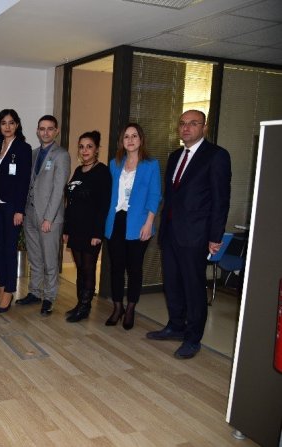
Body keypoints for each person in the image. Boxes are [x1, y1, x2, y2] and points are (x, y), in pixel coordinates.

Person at [147, 110, 231, 359]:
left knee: (193, 287)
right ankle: (175, 325)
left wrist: (215, 236)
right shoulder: (175, 156)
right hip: (171, 232)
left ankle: (193, 338)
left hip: (196, 235)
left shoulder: (216, 156)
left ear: (204, 127)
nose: (186, 128)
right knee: (172, 283)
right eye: (183, 123)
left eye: (193, 123)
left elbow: (221, 200)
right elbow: (172, 197)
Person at [104, 123, 161, 330]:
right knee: (116, 268)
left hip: (139, 223)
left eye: (134, 136)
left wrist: (149, 223)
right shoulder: (114, 163)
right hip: (115, 221)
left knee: (134, 268)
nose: (130, 140)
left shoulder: (151, 165)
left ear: (141, 139)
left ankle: (130, 309)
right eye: (126, 136)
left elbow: (155, 195)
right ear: (122, 141)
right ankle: (117, 307)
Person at [17, 115, 70, 316]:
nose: (45, 132)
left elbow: (58, 190)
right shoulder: (33, 153)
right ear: (37, 131)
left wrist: (49, 218)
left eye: (49, 128)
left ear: (56, 131)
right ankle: (35, 292)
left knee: (50, 260)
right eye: (42, 128)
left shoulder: (61, 155)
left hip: (49, 217)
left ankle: (49, 297)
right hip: (30, 213)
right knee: (35, 257)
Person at [63, 130, 112, 322]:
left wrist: (98, 233)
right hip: (75, 229)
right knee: (80, 269)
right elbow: (70, 203)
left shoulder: (102, 172)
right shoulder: (78, 170)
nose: (85, 150)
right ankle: (79, 303)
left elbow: (104, 205)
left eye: (89, 147)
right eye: (81, 147)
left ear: (96, 149)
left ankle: (85, 307)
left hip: (91, 231)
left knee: (88, 268)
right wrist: (66, 229)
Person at [0, 109, 32, 313]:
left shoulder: (23, 148)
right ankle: (1, 288)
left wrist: (19, 210)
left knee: (9, 249)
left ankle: (9, 291)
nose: (7, 126)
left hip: (12, 207)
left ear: (17, 125)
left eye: (11, 123)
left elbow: (23, 181)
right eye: (3, 123)